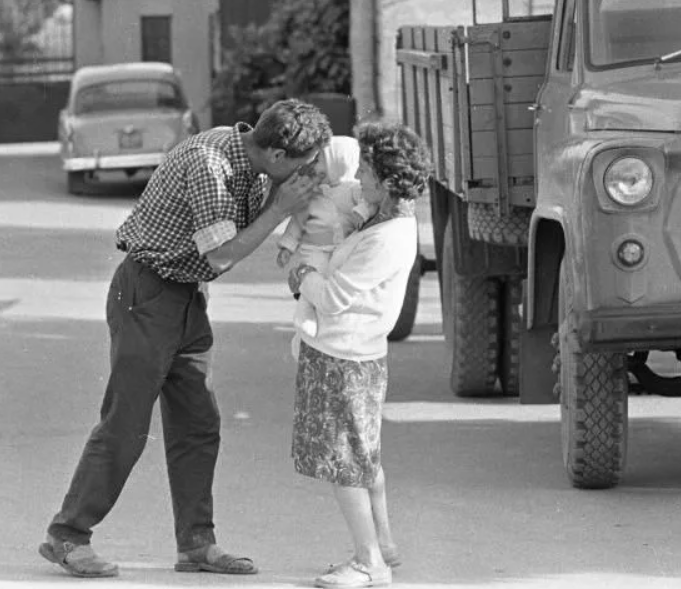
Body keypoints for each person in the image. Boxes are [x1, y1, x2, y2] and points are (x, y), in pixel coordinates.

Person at [39, 99, 332, 578]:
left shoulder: (254, 165)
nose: (310, 173)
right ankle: (67, 536)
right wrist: (281, 209)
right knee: (126, 423)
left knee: (199, 423)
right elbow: (220, 255)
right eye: (304, 164)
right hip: (148, 293)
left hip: (185, 298)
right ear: (277, 155)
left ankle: (197, 543)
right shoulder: (210, 162)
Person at [287, 121, 433, 588]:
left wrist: (302, 275)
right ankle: (383, 543)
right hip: (355, 353)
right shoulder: (381, 214)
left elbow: (332, 297)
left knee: (343, 462)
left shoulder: (386, 237)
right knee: (362, 455)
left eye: (367, 170)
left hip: (343, 355)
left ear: (389, 181)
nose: (360, 178)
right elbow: (338, 198)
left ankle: (370, 563)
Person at [276, 136, 377, 338]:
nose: (315, 166)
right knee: (311, 278)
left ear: (337, 162)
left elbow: (369, 204)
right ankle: (305, 313)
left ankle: (340, 320)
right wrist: (287, 246)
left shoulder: (353, 190)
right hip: (315, 250)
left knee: (339, 286)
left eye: (320, 160)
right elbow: (297, 222)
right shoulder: (313, 193)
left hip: (343, 250)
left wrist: (362, 213)